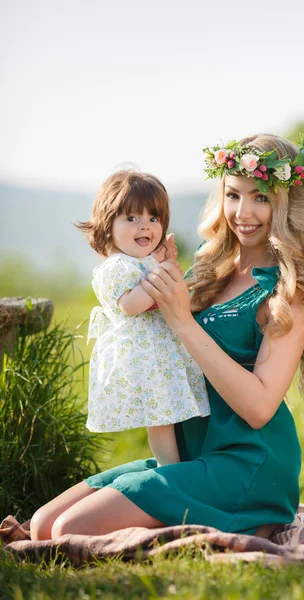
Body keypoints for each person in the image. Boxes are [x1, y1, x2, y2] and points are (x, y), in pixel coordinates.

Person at [30, 133, 304, 542]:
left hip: (245, 461)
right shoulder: (210, 267)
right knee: (44, 524)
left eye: (261, 198)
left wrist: (183, 321)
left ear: (288, 204)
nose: (243, 212)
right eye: (233, 195)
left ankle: (253, 516)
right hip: (190, 454)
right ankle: (194, 509)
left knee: (68, 530)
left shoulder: (292, 291)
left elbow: (258, 408)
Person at [76, 170, 210, 467]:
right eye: (132, 218)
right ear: (107, 225)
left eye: (153, 218)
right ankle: (169, 471)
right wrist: (162, 268)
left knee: (175, 413)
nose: (145, 226)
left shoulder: (143, 263)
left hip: (160, 352)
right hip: (143, 357)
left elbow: (172, 292)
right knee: (160, 419)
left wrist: (164, 264)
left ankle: (185, 464)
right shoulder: (116, 267)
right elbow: (131, 305)